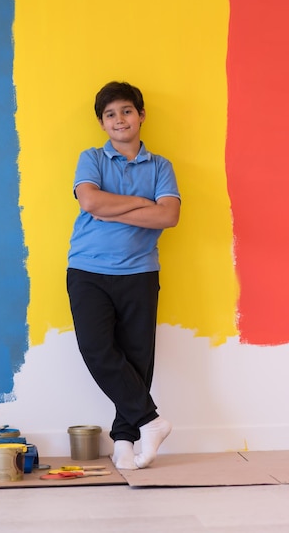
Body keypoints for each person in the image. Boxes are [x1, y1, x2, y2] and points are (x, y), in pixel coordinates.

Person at [66, 81, 181, 469]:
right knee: (97, 350)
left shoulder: (161, 166)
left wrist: (114, 208)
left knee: (136, 359)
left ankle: (124, 441)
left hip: (139, 273)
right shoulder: (92, 158)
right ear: (102, 123)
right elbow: (91, 201)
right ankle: (151, 421)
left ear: (141, 115)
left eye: (127, 111)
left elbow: (168, 215)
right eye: (110, 114)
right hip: (88, 269)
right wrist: (140, 203)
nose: (120, 119)